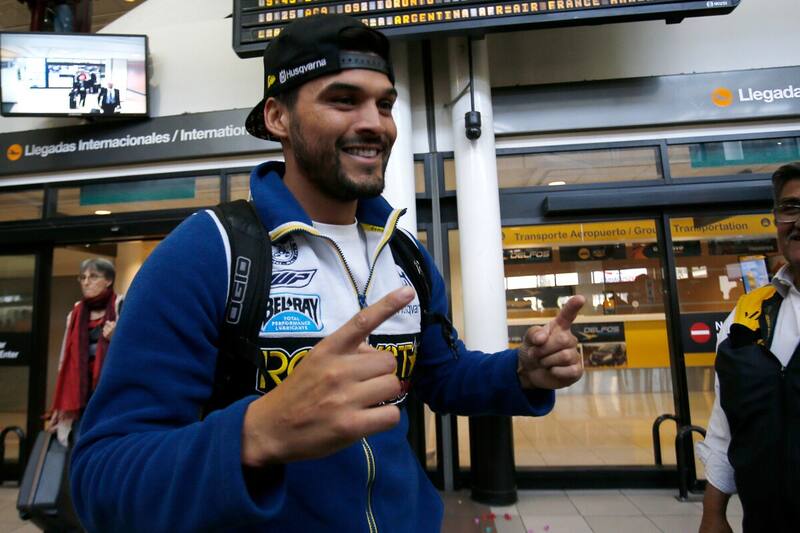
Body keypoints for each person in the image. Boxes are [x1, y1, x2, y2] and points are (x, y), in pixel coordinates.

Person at [70, 15, 585, 532]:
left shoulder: (403, 255)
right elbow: (102, 478)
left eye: (384, 104)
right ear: (277, 118)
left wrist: (520, 371)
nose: (376, 123)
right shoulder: (210, 252)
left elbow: (441, 375)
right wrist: (255, 433)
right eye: (344, 100)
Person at [697, 162, 800, 533]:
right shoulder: (748, 312)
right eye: (790, 208)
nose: (798, 221)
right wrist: (713, 512)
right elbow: (727, 419)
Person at [48, 258, 122, 446]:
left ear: (108, 280)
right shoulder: (75, 313)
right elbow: (65, 359)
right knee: (80, 442)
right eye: (83, 277)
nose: (86, 282)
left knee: (108, 442)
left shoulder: (121, 306)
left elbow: (138, 350)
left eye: (93, 276)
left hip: (110, 391)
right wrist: (60, 405)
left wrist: (117, 337)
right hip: (79, 392)